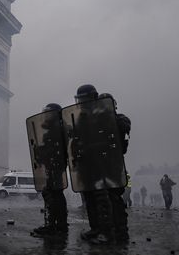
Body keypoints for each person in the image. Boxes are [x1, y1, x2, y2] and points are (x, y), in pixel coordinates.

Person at [70, 85, 117, 245]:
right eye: (79, 100)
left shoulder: (102, 115)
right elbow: (77, 139)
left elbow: (109, 139)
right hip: (86, 165)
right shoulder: (83, 117)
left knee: (101, 199)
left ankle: (106, 232)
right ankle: (95, 228)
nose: (81, 103)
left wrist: (89, 147)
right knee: (89, 198)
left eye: (83, 99)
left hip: (100, 164)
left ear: (92, 98)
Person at [29, 103, 68, 237]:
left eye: (48, 114)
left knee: (52, 194)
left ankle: (52, 227)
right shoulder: (56, 130)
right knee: (56, 194)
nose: (45, 117)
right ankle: (60, 226)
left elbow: (55, 151)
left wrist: (41, 152)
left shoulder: (58, 131)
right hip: (54, 167)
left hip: (55, 168)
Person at [99, 92, 131, 243]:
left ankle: (120, 232)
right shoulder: (98, 122)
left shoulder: (119, 120)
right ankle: (110, 231)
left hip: (114, 166)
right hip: (103, 166)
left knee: (114, 199)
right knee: (106, 200)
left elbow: (124, 124)